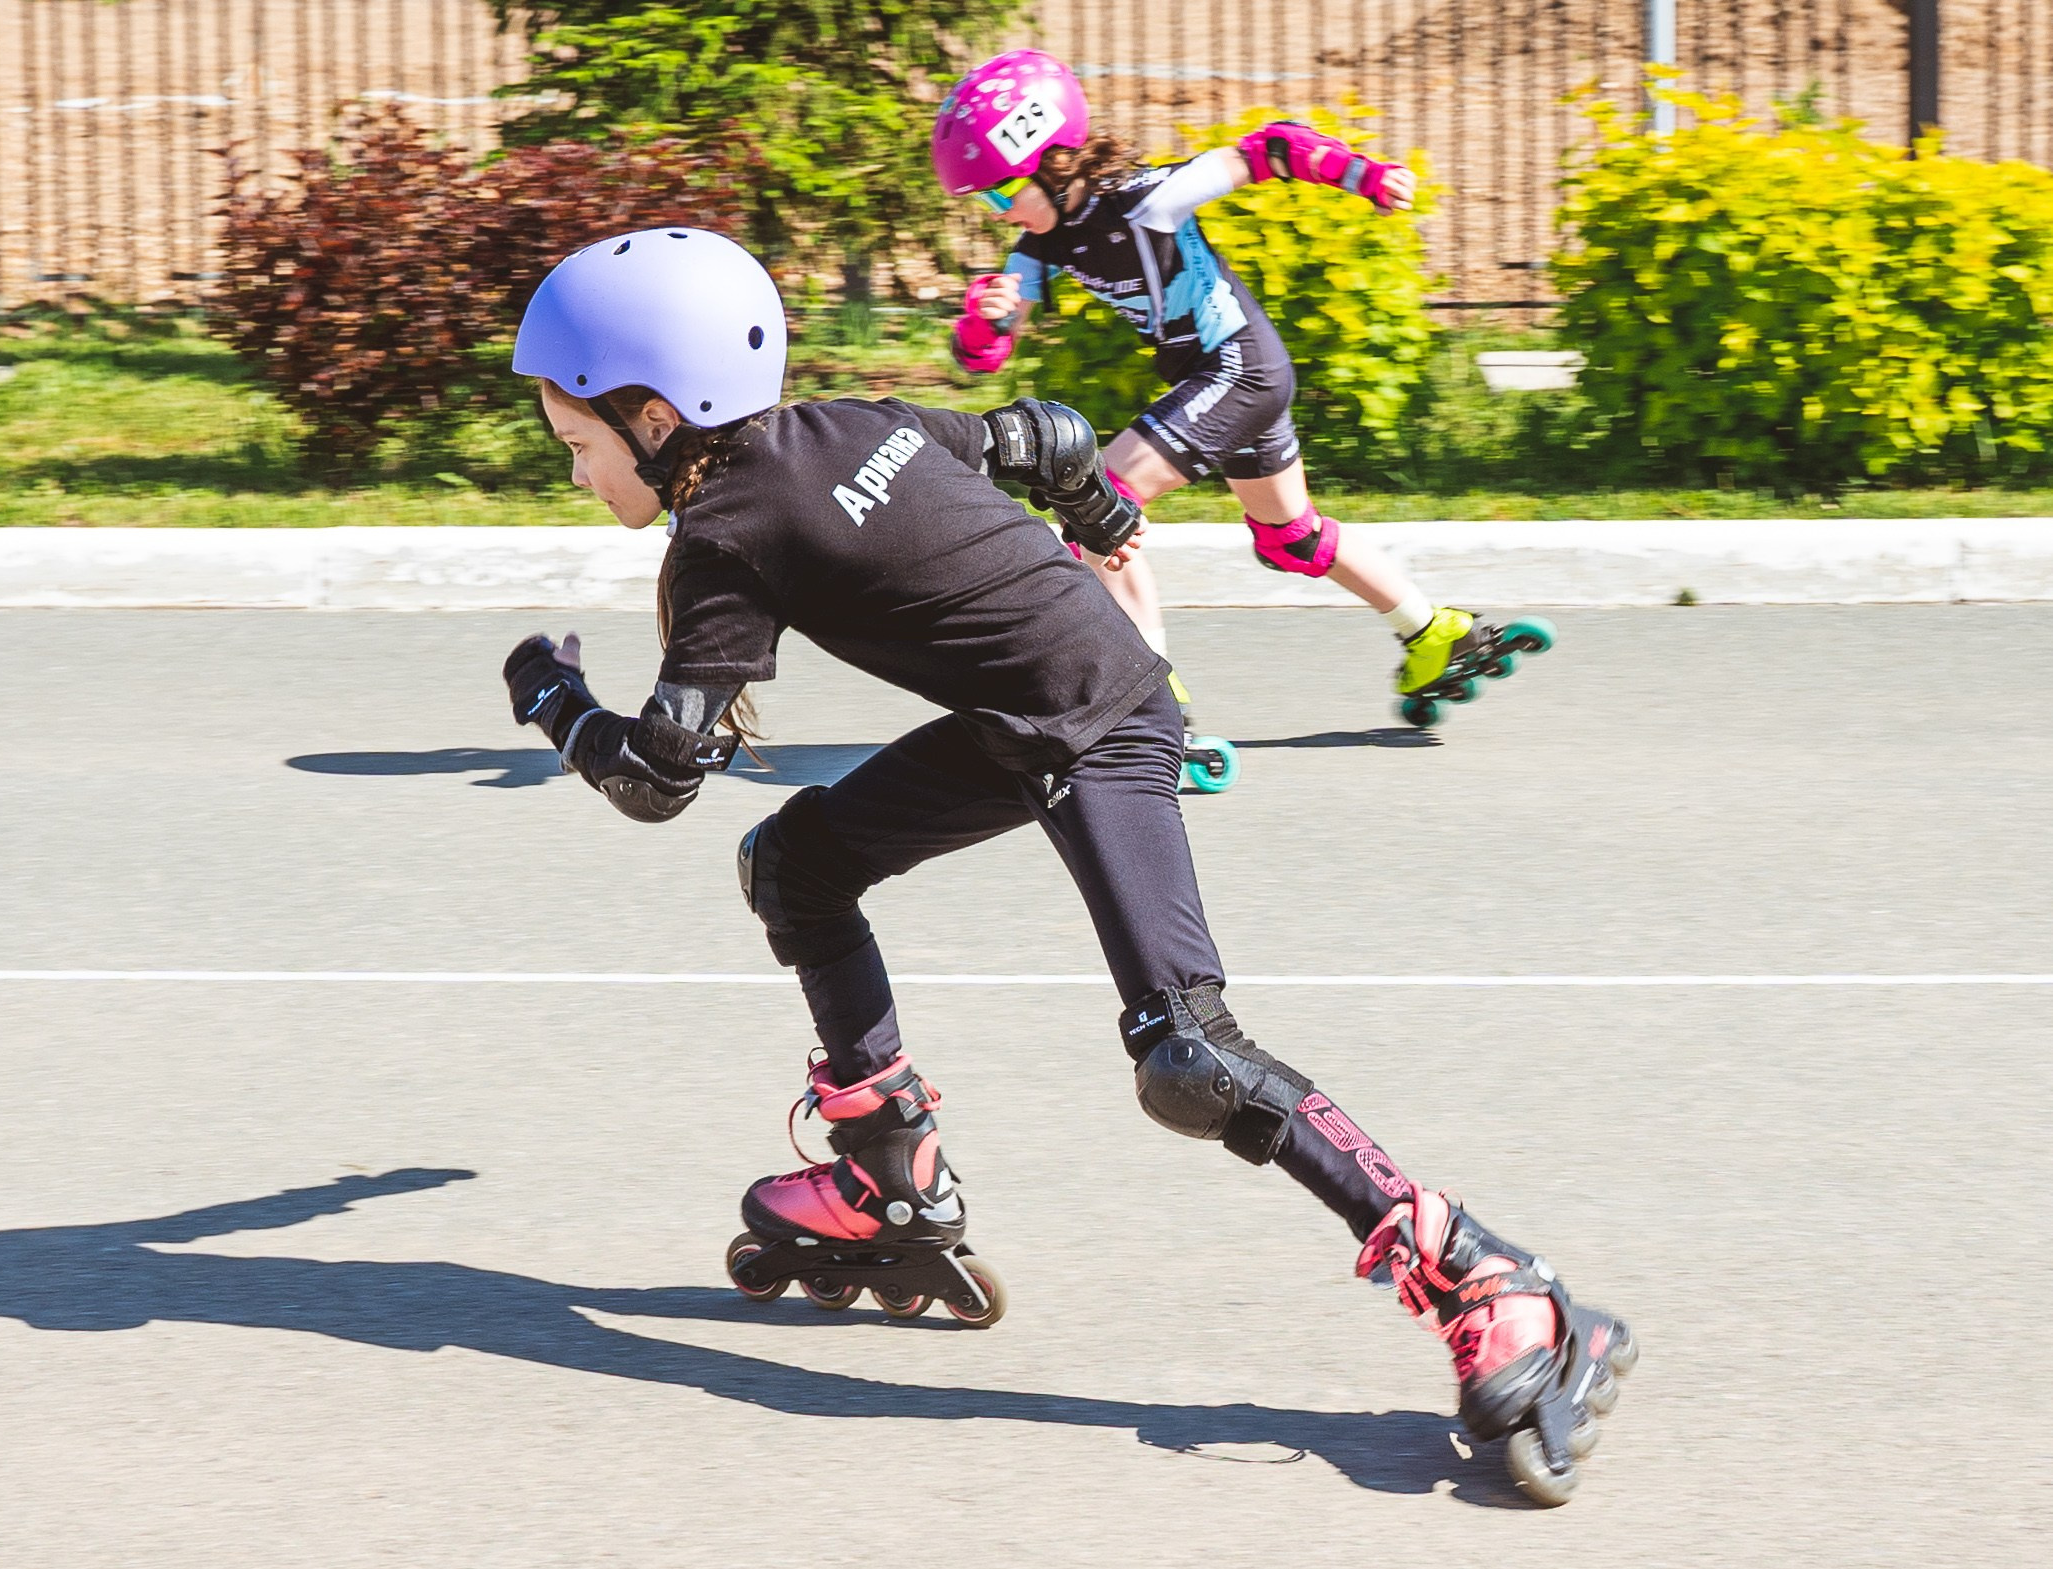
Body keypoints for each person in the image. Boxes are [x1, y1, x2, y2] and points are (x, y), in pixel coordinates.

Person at [500, 226, 1634, 1504]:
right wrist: (1096, 526)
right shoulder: (838, 425)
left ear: (654, 418)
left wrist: (548, 694)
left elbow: (656, 780)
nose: (578, 473)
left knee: (1188, 1056)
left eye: (577, 446)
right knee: (798, 865)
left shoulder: (723, 535)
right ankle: (892, 1186)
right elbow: (1041, 434)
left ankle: (1494, 1283)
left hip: (1097, 728)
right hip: (1023, 720)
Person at [933, 48, 1554, 730]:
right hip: (1227, 379)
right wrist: (983, 320)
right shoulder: (1041, 242)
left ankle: (1151, 705)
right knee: (1292, 537)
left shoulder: (1147, 200)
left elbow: (1270, 150)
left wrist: (1363, 176)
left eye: (998, 193)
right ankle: (1435, 633)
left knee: (1097, 499)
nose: (995, 214)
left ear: (1050, 163)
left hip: (1236, 368)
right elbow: (989, 353)